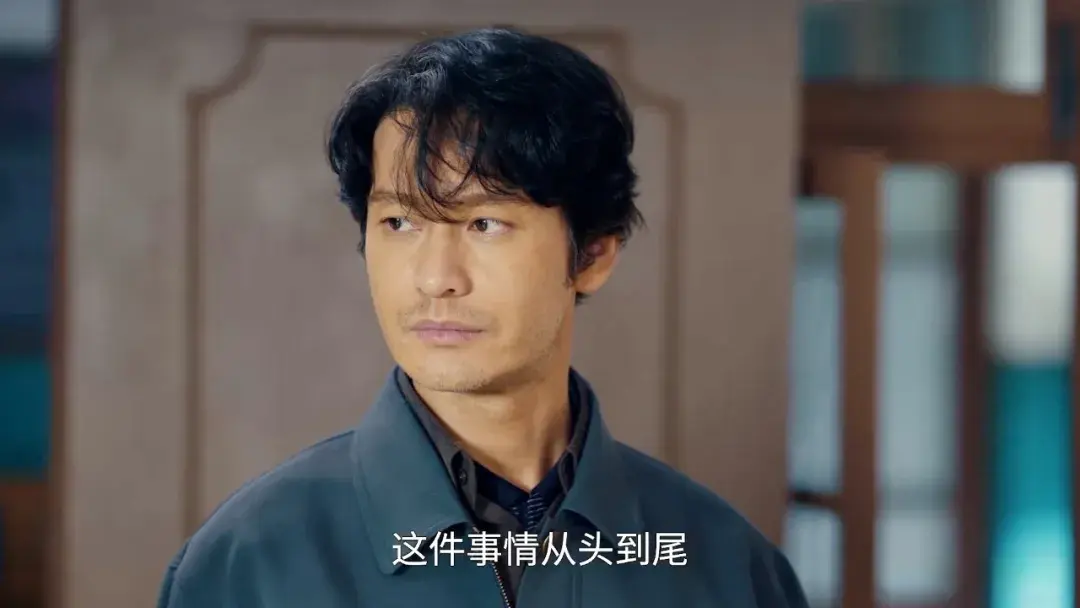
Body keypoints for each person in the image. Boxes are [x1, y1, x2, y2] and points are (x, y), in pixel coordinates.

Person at [157, 27, 809, 608]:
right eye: (399, 222)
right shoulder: (249, 564)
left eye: (484, 223)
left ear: (593, 254)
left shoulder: (728, 568)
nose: (436, 277)